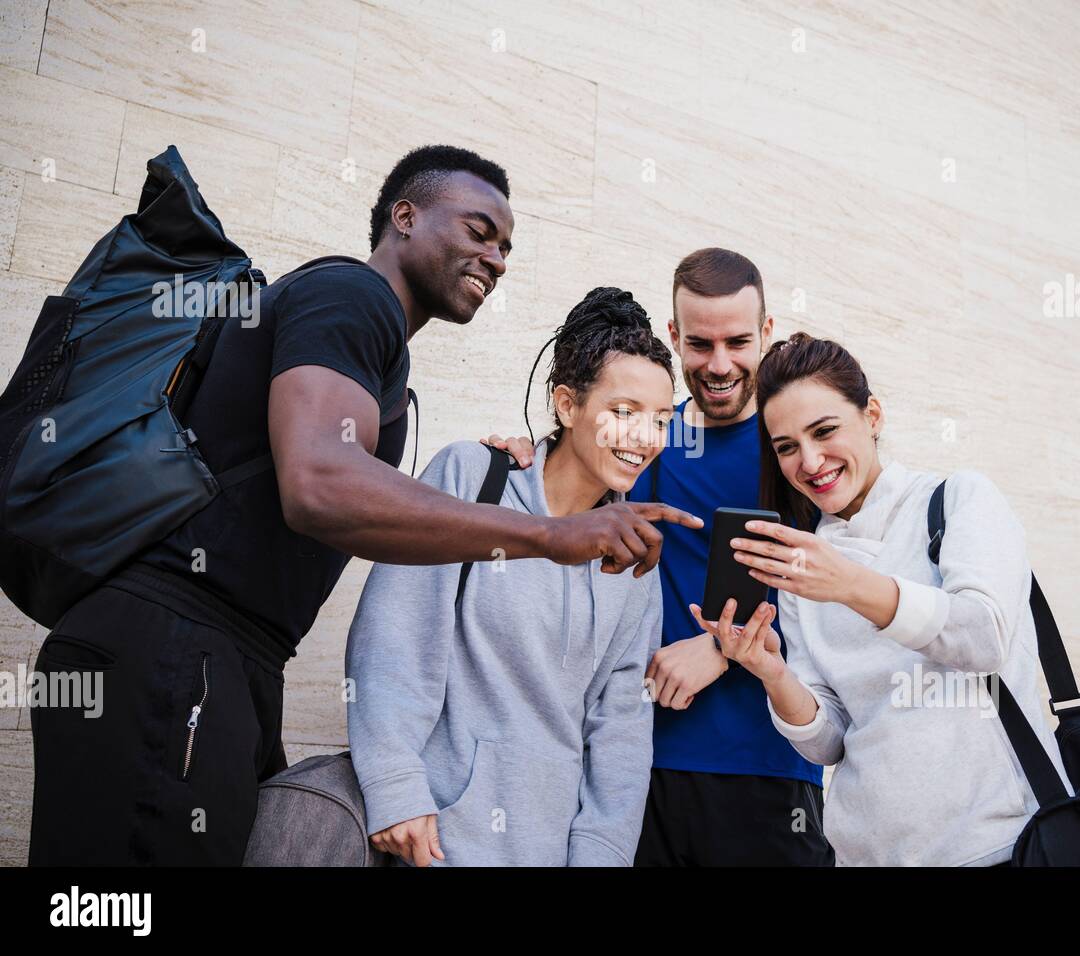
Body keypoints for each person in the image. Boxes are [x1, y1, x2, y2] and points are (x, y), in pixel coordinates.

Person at [27, 147, 698, 866]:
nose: (496, 258)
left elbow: (617, 730)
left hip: (224, 662)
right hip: (171, 646)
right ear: (403, 218)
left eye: (506, 246)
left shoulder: (380, 360)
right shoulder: (349, 296)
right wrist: (543, 532)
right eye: (478, 231)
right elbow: (319, 484)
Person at [486, 249, 833, 866]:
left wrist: (725, 647)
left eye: (738, 341)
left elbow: (836, 585)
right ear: (674, 336)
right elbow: (568, 497)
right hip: (643, 767)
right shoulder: (645, 439)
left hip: (771, 766)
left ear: (767, 333)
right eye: (699, 344)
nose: (719, 364)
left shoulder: (798, 451)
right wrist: (526, 453)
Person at [694, 332, 1071, 866]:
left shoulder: (958, 499)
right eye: (786, 447)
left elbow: (982, 635)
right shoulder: (808, 563)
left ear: (871, 415)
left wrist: (849, 584)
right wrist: (770, 671)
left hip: (999, 846)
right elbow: (829, 742)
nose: (810, 460)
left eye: (825, 431)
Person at [347, 287, 674, 867]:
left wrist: (601, 855)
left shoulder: (634, 556)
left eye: (661, 419)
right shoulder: (474, 478)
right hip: (435, 840)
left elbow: (620, 726)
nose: (645, 437)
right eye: (624, 412)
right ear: (568, 405)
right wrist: (395, 785)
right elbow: (396, 637)